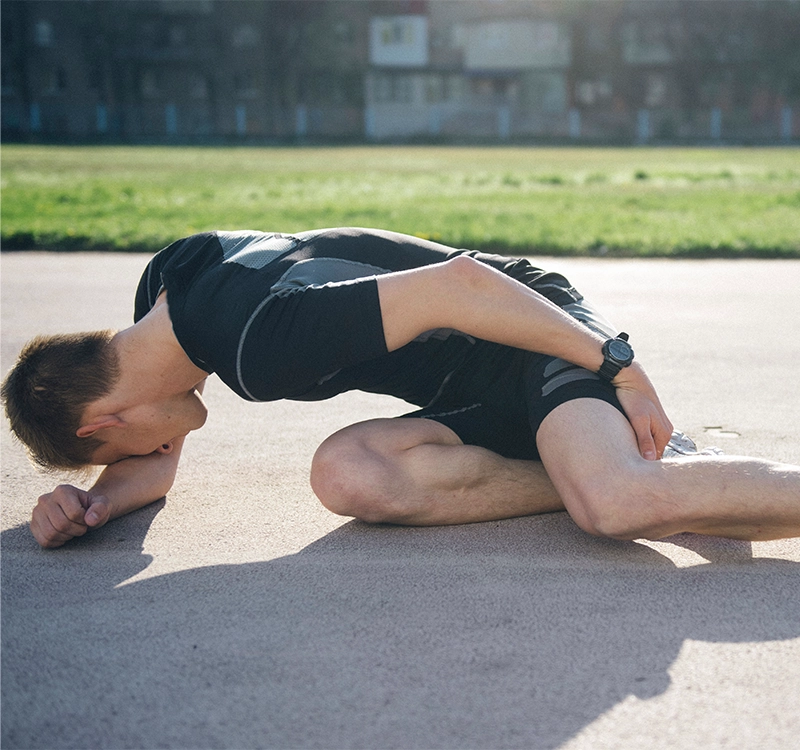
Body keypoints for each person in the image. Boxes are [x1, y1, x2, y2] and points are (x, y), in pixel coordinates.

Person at [3, 228, 799, 549]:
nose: (165, 444)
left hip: (527, 331)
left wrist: (619, 365)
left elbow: (462, 284)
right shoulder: (169, 295)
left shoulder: (258, 344)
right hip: (468, 385)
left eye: (127, 443)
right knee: (345, 474)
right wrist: (93, 507)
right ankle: (583, 463)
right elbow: (150, 458)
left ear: (106, 417)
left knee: (616, 506)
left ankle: (614, 464)